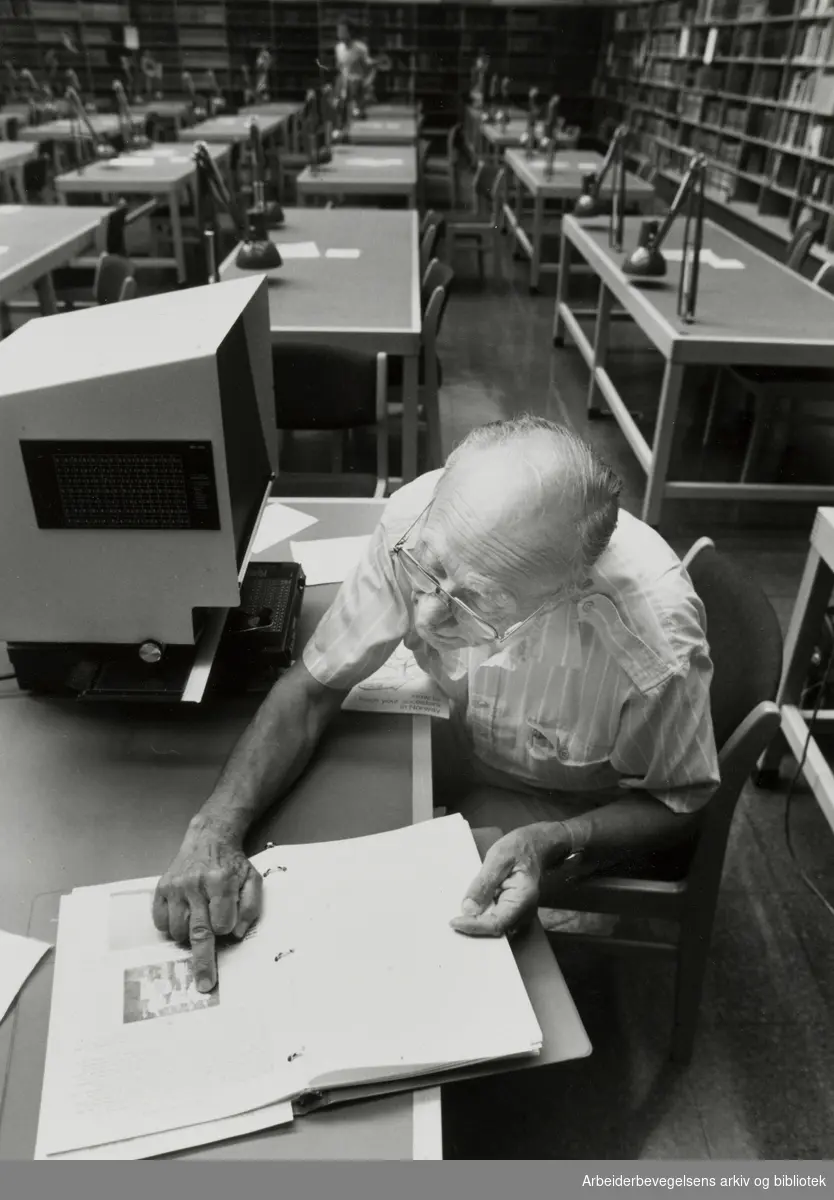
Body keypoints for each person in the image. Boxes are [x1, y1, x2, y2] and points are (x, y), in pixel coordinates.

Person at [152, 416, 720, 990]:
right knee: (333, 857)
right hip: (464, 736)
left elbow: (680, 803)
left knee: (411, 943)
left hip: (572, 802)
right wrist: (214, 831)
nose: (424, 617)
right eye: (429, 571)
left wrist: (559, 841)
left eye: (478, 603)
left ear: (568, 593)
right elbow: (313, 688)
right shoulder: (421, 521)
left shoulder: (656, 646)